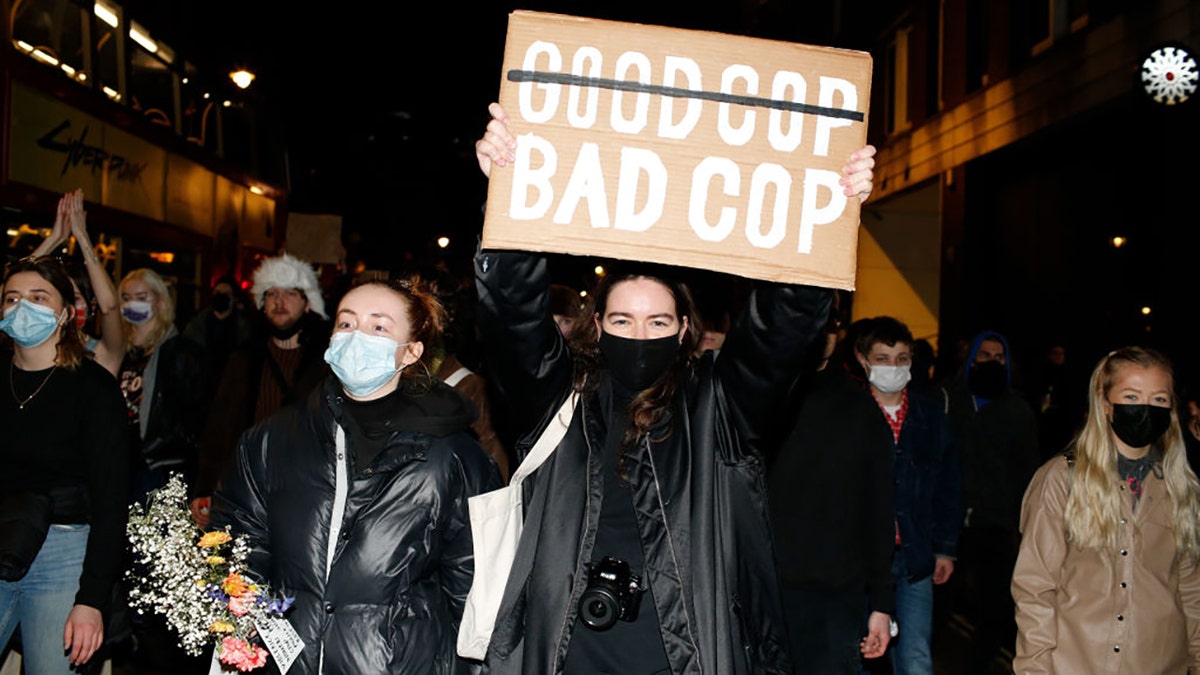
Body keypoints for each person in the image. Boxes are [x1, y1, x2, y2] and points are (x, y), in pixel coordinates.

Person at [473, 101, 877, 673]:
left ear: (685, 329)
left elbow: (778, 335)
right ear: (597, 327)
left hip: (685, 654)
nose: (640, 335)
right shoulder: (556, 403)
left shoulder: (718, 408)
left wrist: (827, 213)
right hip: (566, 651)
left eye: (658, 322)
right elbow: (512, 316)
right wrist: (507, 197)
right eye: (623, 321)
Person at [211, 278, 502, 674]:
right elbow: (241, 546)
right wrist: (244, 634)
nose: (356, 337)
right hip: (287, 662)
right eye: (346, 324)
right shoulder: (272, 440)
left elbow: (473, 589)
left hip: (396, 664)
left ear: (411, 352)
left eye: (378, 327)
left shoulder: (452, 457)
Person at [1012, 346, 1200, 673]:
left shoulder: (1179, 485)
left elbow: (1191, 588)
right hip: (1075, 663)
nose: (1145, 408)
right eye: (1131, 396)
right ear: (1105, 404)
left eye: (1159, 399)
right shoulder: (1062, 479)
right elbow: (1035, 588)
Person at [0, 256, 132, 673]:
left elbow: (112, 501)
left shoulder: (93, 388)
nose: (23, 307)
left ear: (63, 314)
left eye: (39, 298)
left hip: (63, 550)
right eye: (11, 298)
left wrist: (91, 598)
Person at [768, 302, 895, 674]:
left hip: (836, 595)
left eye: (828, 328)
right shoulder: (761, 399)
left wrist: (882, 603)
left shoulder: (860, 410)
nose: (818, 336)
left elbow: (878, 508)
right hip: (761, 587)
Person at [191, 253, 331, 528]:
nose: (279, 302)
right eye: (271, 294)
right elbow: (219, 427)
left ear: (307, 304)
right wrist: (205, 486)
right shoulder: (244, 359)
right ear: (261, 304)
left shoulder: (326, 363)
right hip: (247, 488)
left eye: (290, 293)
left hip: (306, 493)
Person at [854, 316, 961, 675]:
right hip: (862, 562)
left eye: (901, 358)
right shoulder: (850, 412)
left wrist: (945, 547)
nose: (893, 367)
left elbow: (949, 484)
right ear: (863, 359)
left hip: (914, 555)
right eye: (883, 358)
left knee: (915, 659)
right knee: (861, 655)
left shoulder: (931, 415)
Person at [942, 329, 1039, 674]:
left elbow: (1026, 472)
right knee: (942, 605)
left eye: (1000, 357)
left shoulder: (1018, 410)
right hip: (946, 524)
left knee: (994, 607)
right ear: (971, 359)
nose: (992, 363)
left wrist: (1023, 524)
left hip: (995, 523)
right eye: (985, 356)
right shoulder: (948, 401)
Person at [117, 268, 208, 504]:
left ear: (159, 302)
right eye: (126, 298)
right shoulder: (120, 351)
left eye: (141, 297)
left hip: (160, 467)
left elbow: (195, 417)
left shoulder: (182, 353)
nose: (132, 304)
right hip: (121, 463)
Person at [31, 190, 124, 376]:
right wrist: (54, 239)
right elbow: (11, 291)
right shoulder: (32, 345)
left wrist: (82, 237)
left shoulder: (102, 352)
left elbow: (111, 307)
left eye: (76, 298)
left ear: (93, 304)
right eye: (62, 298)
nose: (69, 306)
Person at [182, 275, 253, 394]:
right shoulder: (196, 327)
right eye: (217, 292)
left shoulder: (244, 330)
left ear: (234, 298)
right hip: (200, 392)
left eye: (225, 293)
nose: (220, 296)